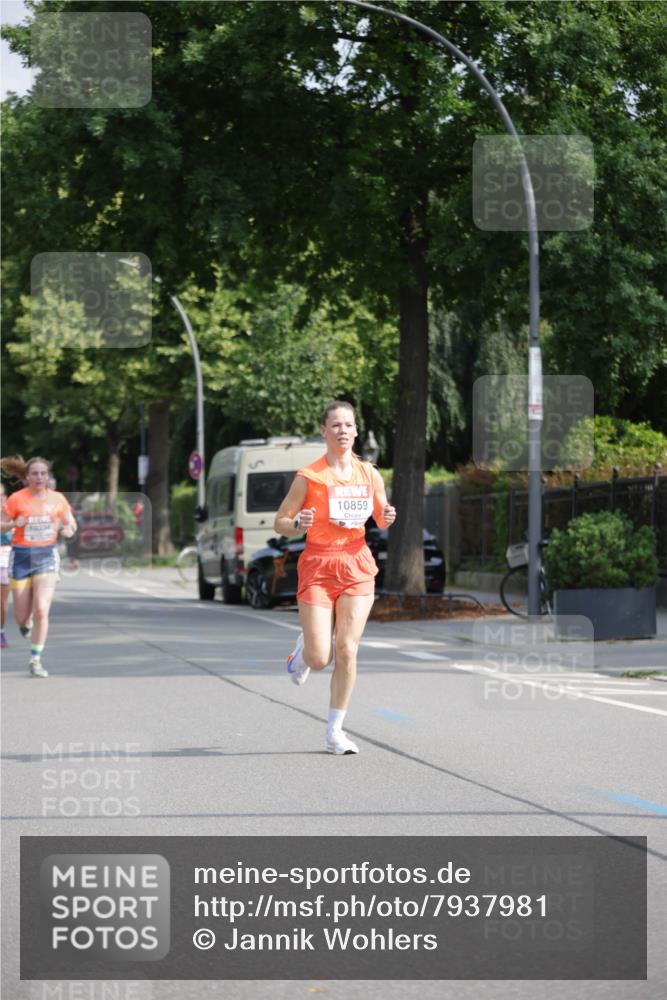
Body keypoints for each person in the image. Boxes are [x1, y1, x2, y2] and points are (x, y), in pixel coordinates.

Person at [273, 401, 396, 755]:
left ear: (356, 431)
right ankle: (300, 656)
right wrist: (297, 524)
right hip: (318, 565)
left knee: (347, 649)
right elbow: (281, 521)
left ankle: (334, 732)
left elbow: (382, 517)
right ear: (324, 432)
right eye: (336, 425)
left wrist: (387, 514)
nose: (343, 430)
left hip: (356, 563)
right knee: (318, 658)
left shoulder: (369, 473)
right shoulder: (309, 477)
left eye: (348, 425)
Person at [0, 456, 77, 677]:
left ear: (48, 476)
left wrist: (67, 529)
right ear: (27, 477)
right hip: (21, 556)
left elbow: (70, 524)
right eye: (34, 473)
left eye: (43, 473)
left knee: (42, 609)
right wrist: (13, 524)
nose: (39, 477)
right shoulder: (16, 499)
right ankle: (27, 624)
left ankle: (35, 660)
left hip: (46, 556)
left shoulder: (57, 499)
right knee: (23, 617)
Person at [0, 483, 12, 649]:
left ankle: (0, 631)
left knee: (2, 601)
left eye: (1, 494)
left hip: (5, 558)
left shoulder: (12, 514)